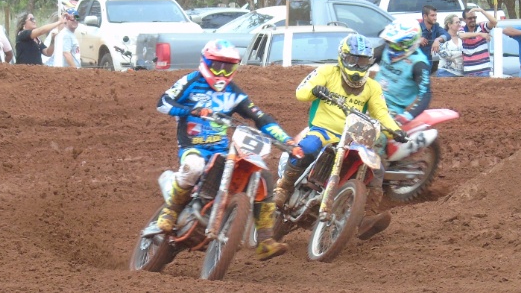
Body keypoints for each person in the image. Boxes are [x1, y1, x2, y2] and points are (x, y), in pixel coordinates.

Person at [155, 39, 298, 261]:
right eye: (217, 65)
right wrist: (190, 111)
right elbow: (163, 102)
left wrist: (287, 141)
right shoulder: (192, 81)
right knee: (193, 167)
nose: (222, 71)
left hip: (221, 149)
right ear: (205, 62)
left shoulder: (234, 92)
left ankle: (265, 240)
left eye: (228, 67)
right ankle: (171, 210)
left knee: (262, 175)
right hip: (193, 146)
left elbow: (259, 117)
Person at [274, 34, 407, 241]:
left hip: (353, 138)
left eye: (362, 61)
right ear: (342, 57)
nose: (357, 65)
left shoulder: (372, 86)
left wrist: (396, 130)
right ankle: (284, 187)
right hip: (323, 131)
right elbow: (301, 92)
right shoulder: (327, 72)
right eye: (352, 59)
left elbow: (381, 114)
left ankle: (366, 217)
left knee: (377, 168)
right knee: (308, 148)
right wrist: (315, 90)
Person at [374, 21, 432, 121]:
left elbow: (426, 94)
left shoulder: (418, 63)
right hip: (370, 97)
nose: (391, 46)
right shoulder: (386, 48)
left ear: (408, 43)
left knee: (372, 135)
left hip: (391, 109)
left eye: (396, 44)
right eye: (390, 42)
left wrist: (409, 116)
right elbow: (365, 62)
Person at [459, 6, 498, 77]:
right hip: (469, 70)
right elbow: (462, 36)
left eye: (474, 17)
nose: (473, 19)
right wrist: (480, 34)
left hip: (484, 69)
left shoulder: (481, 27)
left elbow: (494, 22)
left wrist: (482, 11)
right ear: (464, 20)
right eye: (470, 18)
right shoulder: (462, 29)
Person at [419, 5, 449, 72]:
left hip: (432, 63)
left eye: (436, 15)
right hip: (417, 64)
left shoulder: (436, 26)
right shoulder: (416, 27)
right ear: (425, 17)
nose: (435, 18)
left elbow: (447, 35)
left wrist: (437, 39)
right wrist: (417, 40)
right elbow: (405, 42)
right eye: (432, 15)